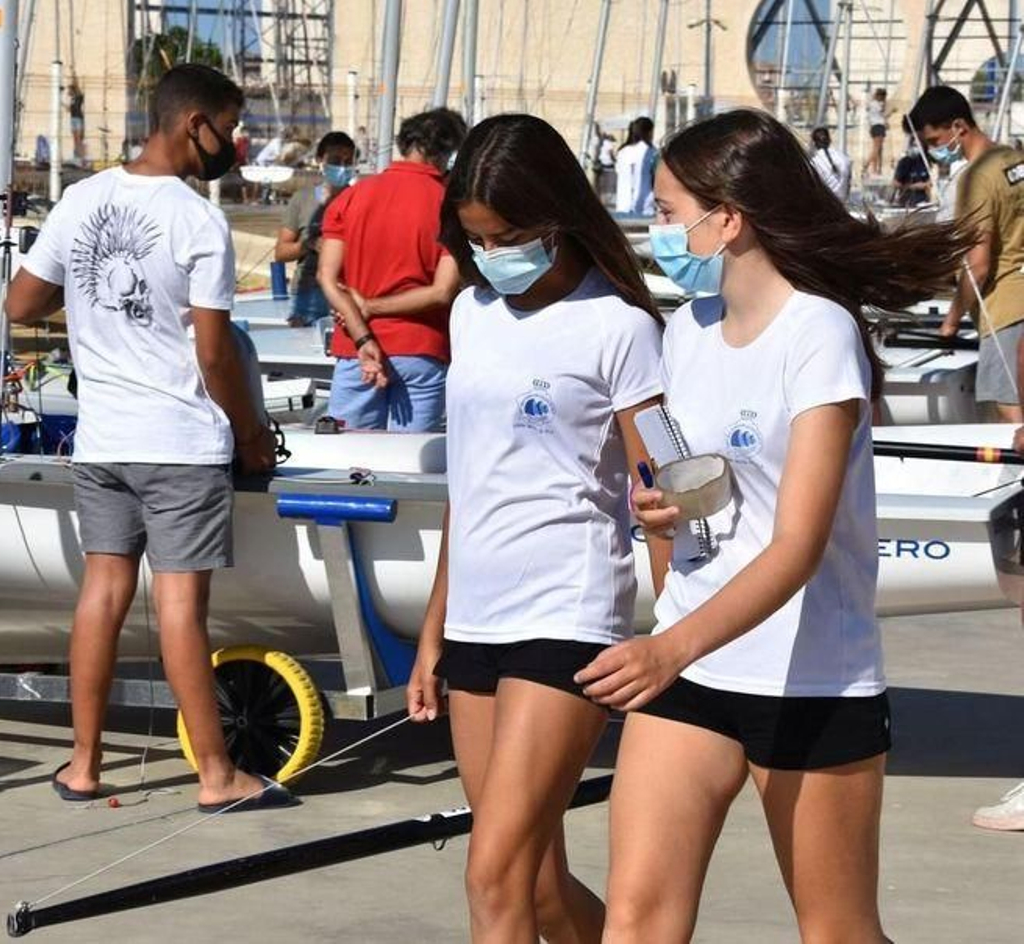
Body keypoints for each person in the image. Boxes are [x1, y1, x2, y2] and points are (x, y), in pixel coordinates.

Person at [579, 108, 969, 941]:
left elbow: (798, 545)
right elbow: (688, 486)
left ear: (729, 218)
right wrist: (665, 511)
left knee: (836, 932)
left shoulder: (817, 333)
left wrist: (665, 646)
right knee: (637, 920)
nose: (660, 230)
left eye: (672, 210)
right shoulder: (683, 330)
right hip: (689, 670)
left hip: (809, 678)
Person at [3, 64, 291, 813]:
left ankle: (83, 765)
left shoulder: (81, 199)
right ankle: (216, 776)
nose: (236, 141)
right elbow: (215, 355)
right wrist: (252, 433)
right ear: (195, 123)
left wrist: (98, 315)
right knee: (178, 610)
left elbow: (21, 302)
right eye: (230, 126)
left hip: (103, 440)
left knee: (100, 595)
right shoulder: (198, 221)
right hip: (180, 441)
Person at [409, 113, 669, 943]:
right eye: (479, 237)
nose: (494, 254)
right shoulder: (472, 315)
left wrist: (681, 637)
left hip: (569, 612)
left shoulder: (623, 327)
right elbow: (471, 480)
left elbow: (661, 482)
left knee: (493, 876)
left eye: (510, 235)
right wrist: (433, 628)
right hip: (478, 617)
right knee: (541, 886)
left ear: (557, 217)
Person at [317, 108, 466, 432]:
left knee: (349, 466)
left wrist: (362, 328)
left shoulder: (352, 197)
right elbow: (442, 292)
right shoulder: (451, 208)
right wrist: (375, 306)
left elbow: (327, 279)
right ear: (450, 152)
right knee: (412, 468)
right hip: (423, 348)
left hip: (355, 348)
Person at [910, 85, 1024, 422]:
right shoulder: (1015, 161)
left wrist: (950, 321)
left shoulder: (976, 178)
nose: (934, 151)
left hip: (1003, 308)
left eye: (934, 141)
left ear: (959, 127)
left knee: (1010, 411)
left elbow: (978, 264)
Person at [273, 131, 356, 326]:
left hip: (347, 292)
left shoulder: (361, 199)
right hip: (306, 294)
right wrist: (308, 244)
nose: (343, 167)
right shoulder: (302, 199)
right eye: (336, 160)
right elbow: (281, 253)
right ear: (320, 160)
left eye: (348, 161)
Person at [613, 117, 657, 216]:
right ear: (649, 132)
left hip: (622, 205)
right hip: (645, 206)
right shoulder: (651, 152)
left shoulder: (622, 151)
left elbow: (619, 172)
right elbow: (656, 176)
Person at [808, 126, 852, 201]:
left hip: (824, 205)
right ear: (830, 140)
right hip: (841, 203)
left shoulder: (814, 163)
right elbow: (848, 184)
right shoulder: (845, 158)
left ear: (814, 143)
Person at [892, 139, 933, 207]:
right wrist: (912, 186)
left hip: (923, 202)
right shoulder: (904, 162)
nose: (916, 148)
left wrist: (924, 185)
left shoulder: (924, 161)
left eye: (918, 146)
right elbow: (895, 183)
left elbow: (930, 181)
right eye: (914, 145)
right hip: (907, 201)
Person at [866, 88, 892, 176]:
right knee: (877, 149)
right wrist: (892, 112)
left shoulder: (871, 104)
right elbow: (883, 116)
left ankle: (876, 169)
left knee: (879, 149)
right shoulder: (877, 105)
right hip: (879, 127)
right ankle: (866, 165)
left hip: (874, 127)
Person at [65, 78, 86, 164]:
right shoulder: (73, 99)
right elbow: (71, 109)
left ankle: (80, 158)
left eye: (69, 90)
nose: (68, 92)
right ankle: (76, 157)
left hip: (78, 119)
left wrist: (73, 73)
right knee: (75, 139)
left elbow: (78, 89)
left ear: (73, 90)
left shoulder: (79, 97)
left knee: (78, 139)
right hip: (73, 119)